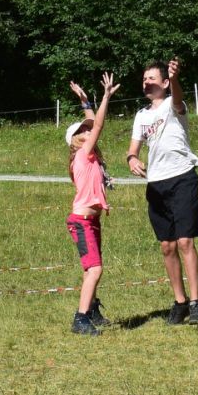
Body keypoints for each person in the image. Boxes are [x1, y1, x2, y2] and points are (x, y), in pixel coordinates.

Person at [126, 58, 198, 325]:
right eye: (144, 79)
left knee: (185, 242)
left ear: (164, 82)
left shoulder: (174, 105)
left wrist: (175, 78)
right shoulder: (141, 115)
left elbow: (178, 97)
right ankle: (180, 302)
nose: (146, 82)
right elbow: (133, 148)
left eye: (151, 78)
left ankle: (196, 303)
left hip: (182, 177)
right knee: (167, 246)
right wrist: (132, 159)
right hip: (156, 184)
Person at [67, 74, 118, 336]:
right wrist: (106, 96)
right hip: (81, 222)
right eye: (83, 131)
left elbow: (92, 121)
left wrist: (86, 101)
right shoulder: (82, 154)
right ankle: (80, 319)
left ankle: (92, 309)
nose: (89, 131)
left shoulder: (91, 156)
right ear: (75, 139)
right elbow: (97, 124)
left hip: (92, 221)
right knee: (95, 269)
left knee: (92, 268)